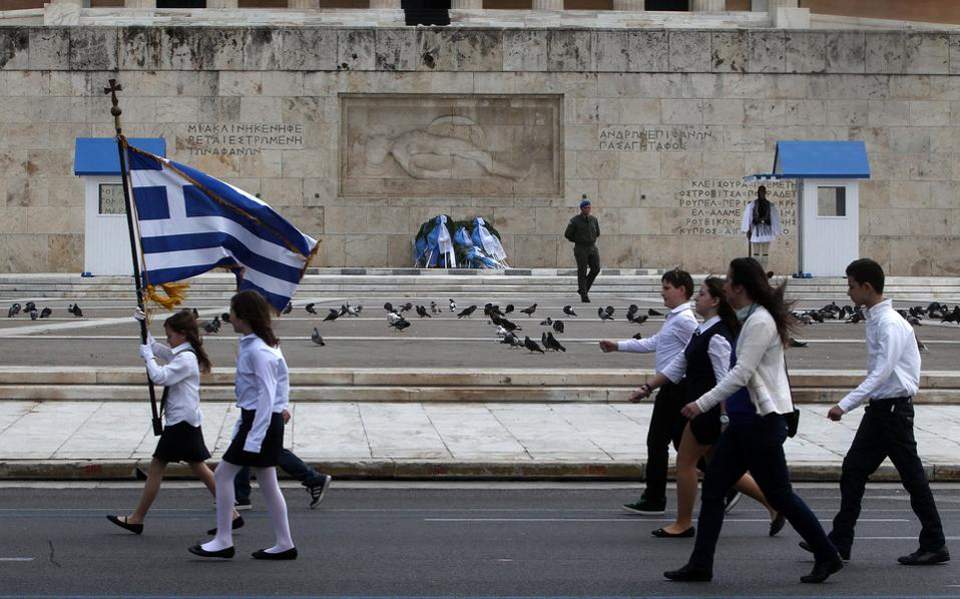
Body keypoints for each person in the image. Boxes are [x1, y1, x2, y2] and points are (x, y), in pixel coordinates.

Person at [664, 257, 843, 584]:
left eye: (730, 281)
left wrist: (701, 403)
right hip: (744, 423)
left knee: (781, 495)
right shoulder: (749, 319)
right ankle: (701, 564)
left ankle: (827, 554)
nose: (725, 286)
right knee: (716, 489)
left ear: (740, 288)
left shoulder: (760, 322)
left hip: (760, 424)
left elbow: (741, 373)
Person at [799, 259, 948, 566]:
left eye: (851, 285)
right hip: (882, 411)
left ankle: (934, 542)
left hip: (892, 413)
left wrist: (845, 404)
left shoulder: (890, 324)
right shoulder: (877, 320)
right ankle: (840, 540)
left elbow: (881, 372)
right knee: (854, 471)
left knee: (912, 478)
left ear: (867, 287)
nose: (848, 292)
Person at [632, 278, 784, 539]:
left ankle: (682, 523)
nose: (696, 298)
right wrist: (647, 388)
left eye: (701, 294)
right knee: (720, 468)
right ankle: (774, 505)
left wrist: (724, 416)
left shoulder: (718, 337)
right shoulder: (702, 331)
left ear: (715, 301)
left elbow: (728, 378)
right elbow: (677, 366)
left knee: (686, 462)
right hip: (703, 408)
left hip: (708, 410)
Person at [107, 309, 241, 534]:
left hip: (181, 423)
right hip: (186, 421)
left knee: (158, 466)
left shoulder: (186, 359)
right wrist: (143, 328)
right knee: (199, 468)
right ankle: (232, 514)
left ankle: (137, 518)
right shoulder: (183, 354)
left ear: (182, 335)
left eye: (170, 336)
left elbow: (159, 376)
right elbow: (159, 349)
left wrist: (147, 356)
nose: (168, 340)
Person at [190, 290, 297, 560]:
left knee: (224, 475)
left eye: (233, 312)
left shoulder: (259, 350)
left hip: (259, 423)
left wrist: (254, 436)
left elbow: (267, 393)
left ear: (245, 316)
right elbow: (281, 381)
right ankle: (284, 543)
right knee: (268, 481)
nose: (230, 317)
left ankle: (224, 540)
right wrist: (281, 407)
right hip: (261, 420)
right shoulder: (262, 345)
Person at [600, 268, 697, 515]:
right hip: (671, 387)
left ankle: (654, 498)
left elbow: (695, 353)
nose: (662, 293)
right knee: (683, 446)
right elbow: (653, 343)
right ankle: (730, 483)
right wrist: (618, 346)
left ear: (682, 290)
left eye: (666, 288)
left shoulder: (686, 321)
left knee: (657, 443)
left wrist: (649, 386)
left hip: (676, 388)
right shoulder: (675, 318)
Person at [232, 444, 332, 511]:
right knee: (250, 447)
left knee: (262, 447)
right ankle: (240, 495)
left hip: (261, 414)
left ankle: (240, 495)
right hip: (260, 414)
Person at [564, 197, 600, 303]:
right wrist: (579, 240)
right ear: (582, 209)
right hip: (581, 248)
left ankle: (583, 289)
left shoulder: (594, 219)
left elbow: (597, 232)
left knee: (596, 269)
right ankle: (584, 295)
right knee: (582, 271)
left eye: (589, 207)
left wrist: (591, 240)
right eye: (586, 207)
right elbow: (567, 234)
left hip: (592, 247)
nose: (588, 209)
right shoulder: (575, 221)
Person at [741, 185, 781, 274]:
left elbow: (775, 218)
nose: (762, 194)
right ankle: (756, 271)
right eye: (760, 192)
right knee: (756, 253)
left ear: (765, 193)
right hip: (756, 230)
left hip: (766, 230)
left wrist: (776, 230)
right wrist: (747, 229)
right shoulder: (752, 205)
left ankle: (763, 271)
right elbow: (748, 218)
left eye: (763, 192)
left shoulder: (770, 205)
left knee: (765, 252)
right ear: (758, 193)